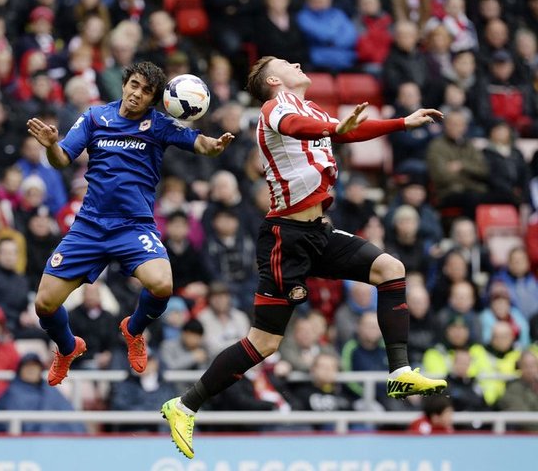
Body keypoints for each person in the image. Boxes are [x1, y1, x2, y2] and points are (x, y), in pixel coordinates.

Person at [161, 56, 447, 459]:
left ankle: (399, 372)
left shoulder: (310, 109)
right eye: (285, 63)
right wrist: (335, 129)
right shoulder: (274, 108)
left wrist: (402, 122)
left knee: (390, 268)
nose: (296, 63)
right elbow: (299, 128)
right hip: (286, 239)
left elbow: (346, 131)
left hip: (318, 232)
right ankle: (185, 405)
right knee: (264, 343)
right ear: (274, 80)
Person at [26, 61, 233, 387]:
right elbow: (62, 159)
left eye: (146, 91)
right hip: (90, 226)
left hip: (134, 227)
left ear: (154, 99)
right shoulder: (95, 117)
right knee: (44, 304)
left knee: (162, 286)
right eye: (134, 85)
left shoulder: (159, 124)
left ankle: (133, 329)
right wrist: (51, 144)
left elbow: (200, 143)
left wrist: (215, 146)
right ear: (124, 84)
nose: (137, 94)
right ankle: (67, 347)